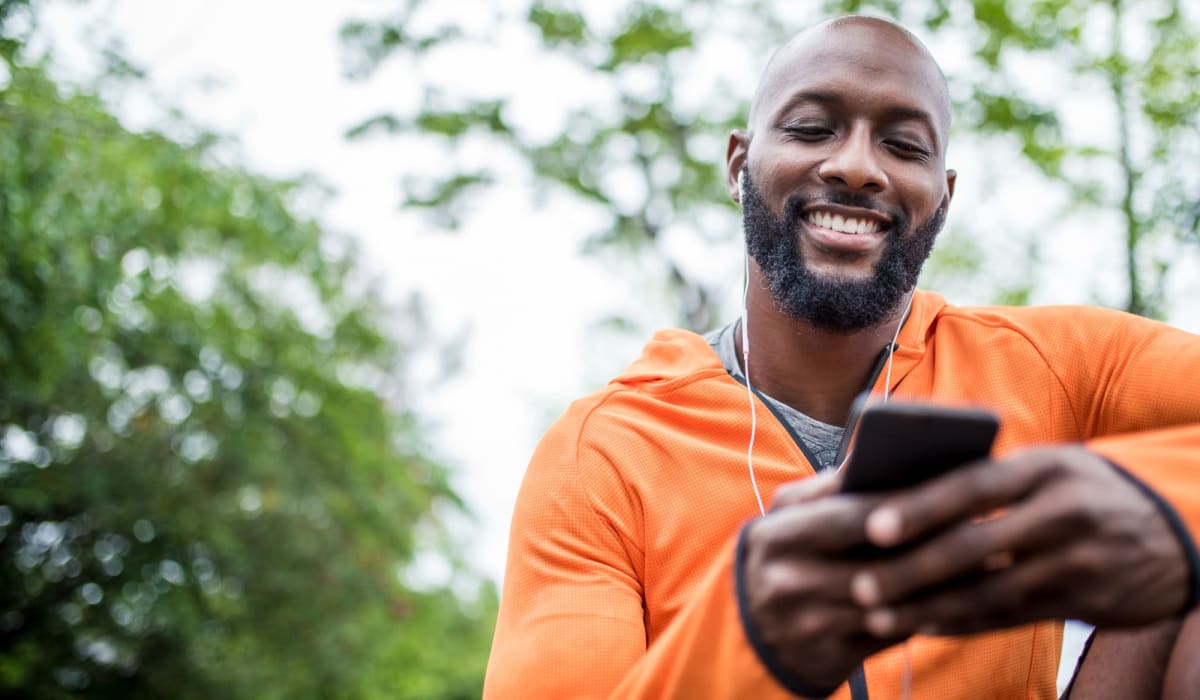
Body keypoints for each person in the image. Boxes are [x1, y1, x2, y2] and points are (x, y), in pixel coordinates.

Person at [483, 14, 1200, 699]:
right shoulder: (602, 456)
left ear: (942, 199)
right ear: (739, 165)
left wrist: (1164, 505)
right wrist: (751, 644)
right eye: (811, 128)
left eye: (905, 146)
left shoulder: (1056, 365)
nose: (857, 167)